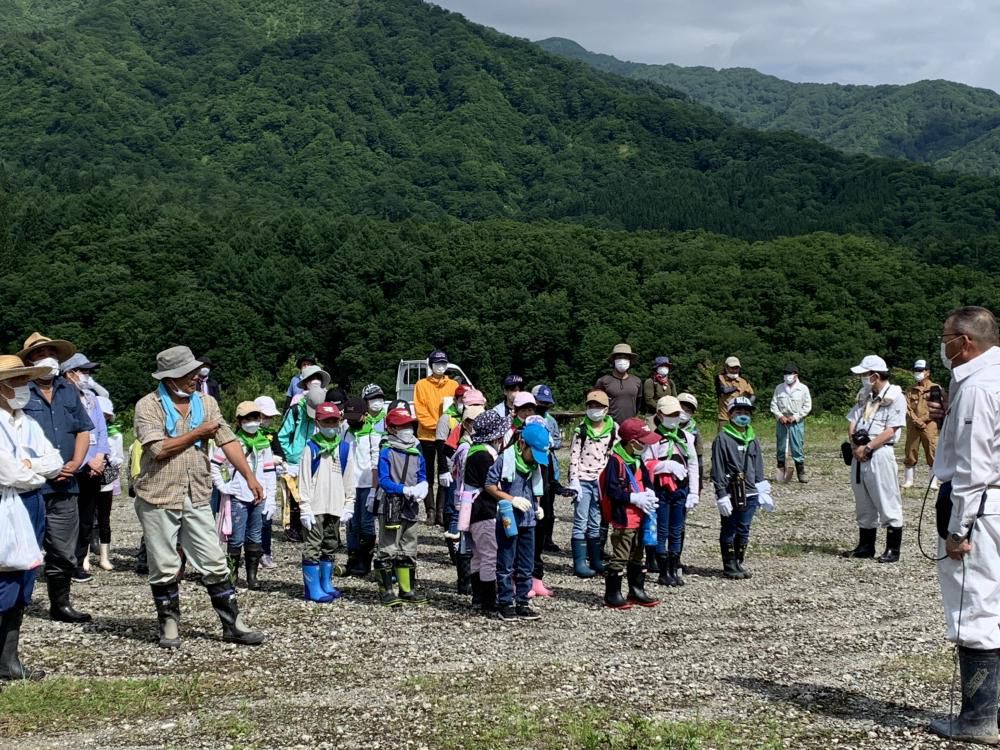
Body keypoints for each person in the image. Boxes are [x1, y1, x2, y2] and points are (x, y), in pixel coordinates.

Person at [133, 346, 264, 648]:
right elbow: (159, 449)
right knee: (164, 563)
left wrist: (249, 476)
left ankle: (233, 624)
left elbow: (227, 439)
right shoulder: (148, 405)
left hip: (196, 491)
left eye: (196, 372)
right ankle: (168, 624)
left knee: (213, 559)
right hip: (158, 493)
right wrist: (198, 433)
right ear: (171, 377)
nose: (196, 377)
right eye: (189, 373)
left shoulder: (206, 402)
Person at [928, 307, 1000, 744]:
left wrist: (959, 529)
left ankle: (977, 718)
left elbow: (973, 466)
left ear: (965, 342)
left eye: (946, 338)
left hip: (981, 504)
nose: (943, 346)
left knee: (973, 605)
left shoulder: (978, 387)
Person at [17, 332, 94, 623]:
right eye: (38, 354)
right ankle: (16, 605)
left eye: (50, 352)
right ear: (29, 361)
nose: (46, 358)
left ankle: (59, 605)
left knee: (63, 549)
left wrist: (75, 462)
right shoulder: (19, 391)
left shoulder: (68, 389)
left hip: (66, 483)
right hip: (30, 484)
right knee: (22, 547)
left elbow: (83, 429)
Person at [0, 355, 64, 682]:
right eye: (15, 381)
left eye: (25, 380)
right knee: (3, 576)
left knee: (25, 576)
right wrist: (30, 469)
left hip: (31, 503)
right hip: (4, 505)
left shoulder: (28, 422)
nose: (22, 388)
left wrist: (30, 470)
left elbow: (54, 461)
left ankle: (8, 659)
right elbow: (7, 472)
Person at [841, 355, 906, 564]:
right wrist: (854, 445)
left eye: (864, 375)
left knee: (886, 497)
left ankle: (892, 548)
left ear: (875, 376)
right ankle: (865, 545)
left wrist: (868, 447)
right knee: (863, 499)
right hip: (859, 453)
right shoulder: (865, 396)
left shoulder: (895, 397)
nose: (862, 378)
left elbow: (891, 429)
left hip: (880, 452)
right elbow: (853, 420)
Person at [484, 421, 551, 621]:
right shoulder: (505, 459)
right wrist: (511, 499)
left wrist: (538, 507)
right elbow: (489, 485)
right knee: (505, 562)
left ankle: (523, 601)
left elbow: (535, 490)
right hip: (508, 518)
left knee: (526, 563)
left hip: (529, 520)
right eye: (534, 453)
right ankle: (505, 602)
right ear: (522, 444)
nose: (535, 460)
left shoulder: (535, 466)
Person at [211, 401, 277, 591]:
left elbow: (269, 471)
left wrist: (271, 498)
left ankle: (252, 577)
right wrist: (223, 486)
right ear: (239, 422)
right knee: (236, 538)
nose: (253, 422)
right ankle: (232, 576)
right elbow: (214, 464)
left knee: (255, 536)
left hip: (259, 496)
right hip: (238, 496)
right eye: (248, 418)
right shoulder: (232, 443)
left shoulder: (264, 442)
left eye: (256, 418)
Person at [599, 417, 661, 609]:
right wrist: (634, 498)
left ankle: (636, 590)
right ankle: (613, 594)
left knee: (637, 554)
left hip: (641, 517)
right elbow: (612, 491)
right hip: (624, 518)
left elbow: (646, 480)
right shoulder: (615, 462)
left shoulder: (636, 458)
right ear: (632, 442)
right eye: (643, 442)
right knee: (620, 555)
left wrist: (650, 493)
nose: (645, 446)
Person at [297, 403, 355, 603]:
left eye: (334, 421)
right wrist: (304, 508)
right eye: (326, 422)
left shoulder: (344, 448)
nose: (330, 425)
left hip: (336, 506)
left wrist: (349, 504)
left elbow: (349, 479)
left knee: (330, 544)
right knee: (313, 545)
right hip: (315, 507)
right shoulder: (311, 447)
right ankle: (312, 589)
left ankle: (325, 583)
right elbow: (303, 480)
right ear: (318, 423)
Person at [59, 353, 110, 584]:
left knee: (87, 517)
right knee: (68, 517)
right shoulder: (60, 397)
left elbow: (100, 430)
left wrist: (99, 457)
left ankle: (79, 562)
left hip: (93, 467)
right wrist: (86, 459)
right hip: (73, 466)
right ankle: (63, 563)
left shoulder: (91, 397)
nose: (86, 375)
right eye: (83, 371)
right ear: (69, 373)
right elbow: (68, 433)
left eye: (89, 371)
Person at [373, 407, 429, 606]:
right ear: (392, 429)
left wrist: (424, 486)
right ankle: (386, 591)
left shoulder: (416, 451)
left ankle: (407, 590)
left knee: (409, 547)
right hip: (391, 505)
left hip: (411, 506)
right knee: (387, 548)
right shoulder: (387, 450)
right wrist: (404, 489)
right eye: (403, 425)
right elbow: (384, 480)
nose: (408, 429)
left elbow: (422, 475)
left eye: (409, 425)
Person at [712, 397, 772, 580]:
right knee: (729, 528)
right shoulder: (722, 438)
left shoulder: (752, 437)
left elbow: (758, 464)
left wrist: (762, 488)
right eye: (738, 413)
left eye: (746, 413)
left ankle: (738, 561)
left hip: (751, 491)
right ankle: (729, 565)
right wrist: (721, 493)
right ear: (730, 415)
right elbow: (718, 467)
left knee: (744, 528)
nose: (743, 416)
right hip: (732, 491)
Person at [645, 396, 699, 587]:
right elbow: (646, 464)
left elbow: (693, 463)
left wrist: (694, 492)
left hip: (681, 489)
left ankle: (674, 567)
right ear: (659, 414)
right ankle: (662, 571)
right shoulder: (652, 438)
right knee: (662, 530)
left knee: (677, 530)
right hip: (661, 490)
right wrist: (665, 465)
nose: (674, 417)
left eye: (677, 414)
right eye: (669, 414)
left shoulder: (687, 437)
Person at [567, 390, 617, 578]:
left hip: (601, 482)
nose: (594, 410)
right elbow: (574, 456)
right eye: (591, 406)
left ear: (606, 409)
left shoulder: (613, 429)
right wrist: (574, 481)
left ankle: (595, 559)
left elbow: (613, 455)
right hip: (582, 480)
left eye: (598, 406)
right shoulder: (581, 429)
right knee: (580, 521)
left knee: (596, 522)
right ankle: (579, 562)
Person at [277, 365, 330, 541]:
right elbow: (283, 435)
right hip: (296, 458)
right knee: (296, 496)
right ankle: (294, 530)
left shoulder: (326, 403)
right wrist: (289, 454)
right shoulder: (296, 408)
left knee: (317, 492)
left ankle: (315, 529)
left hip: (319, 454)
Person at [413, 350, 457, 526]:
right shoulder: (421, 385)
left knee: (445, 472)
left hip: (448, 437)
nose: (440, 366)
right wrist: (438, 426)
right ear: (431, 365)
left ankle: (441, 511)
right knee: (427, 473)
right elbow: (420, 412)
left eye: (443, 363)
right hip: (426, 436)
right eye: (437, 363)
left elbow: (456, 410)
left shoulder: (453, 385)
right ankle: (430, 511)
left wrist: (446, 429)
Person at [341, 396, 379, 578]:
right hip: (349, 484)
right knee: (351, 523)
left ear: (364, 415)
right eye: (349, 418)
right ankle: (352, 557)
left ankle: (365, 560)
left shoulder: (372, 434)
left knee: (366, 523)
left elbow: (375, 463)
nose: (351, 421)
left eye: (355, 418)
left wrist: (374, 489)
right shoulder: (346, 432)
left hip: (366, 485)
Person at [531, 384, 563, 554]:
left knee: (549, 504)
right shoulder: (528, 418)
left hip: (549, 464)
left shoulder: (551, 421)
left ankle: (547, 539)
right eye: (540, 402)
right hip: (532, 464)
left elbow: (558, 441)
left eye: (547, 403)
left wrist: (549, 442)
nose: (543, 406)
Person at [769, 362, 812, 484]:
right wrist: (779, 416)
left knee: (797, 446)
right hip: (782, 421)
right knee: (781, 446)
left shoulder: (803, 389)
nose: (787, 375)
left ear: (796, 375)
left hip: (796, 422)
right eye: (785, 373)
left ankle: (801, 472)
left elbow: (807, 406)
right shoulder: (779, 388)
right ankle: (781, 470)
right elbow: (773, 404)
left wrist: (796, 417)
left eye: (790, 373)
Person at [253, 395, 282, 569]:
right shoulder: (242, 434)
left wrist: (276, 461)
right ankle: (247, 552)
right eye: (266, 416)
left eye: (271, 417)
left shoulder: (272, 435)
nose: (268, 420)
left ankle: (265, 552)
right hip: (247, 481)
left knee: (266, 519)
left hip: (267, 480)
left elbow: (280, 456)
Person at [903, 359, 940, 490]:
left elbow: (938, 408)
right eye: (916, 370)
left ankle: (933, 481)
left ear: (927, 372)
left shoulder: (935, 388)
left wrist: (923, 420)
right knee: (911, 450)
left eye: (920, 370)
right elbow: (907, 407)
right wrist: (916, 420)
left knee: (931, 450)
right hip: (913, 424)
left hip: (929, 424)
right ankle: (909, 480)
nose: (917, 373)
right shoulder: (910, 389)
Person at [96, 396, 123, 571]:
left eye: (106, 415)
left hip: (106, 475)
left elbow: (119, 459)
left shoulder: (115, 435)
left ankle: (104, 556)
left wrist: (108, 462)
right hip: (87, 475)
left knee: (104, 518)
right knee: (85, 517)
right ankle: (83, 556)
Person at [595, 343, 642, 424]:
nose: (622, 360)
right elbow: (596, 404)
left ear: (630, 360)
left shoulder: (637, 381)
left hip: (630, 426)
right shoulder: (603, 381)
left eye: (626, 357)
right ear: (613, 360)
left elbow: (638, 403)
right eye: (619, 356)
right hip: (609, 426)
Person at [715, 356, 754, 424]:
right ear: (726, 368)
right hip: (725, 418)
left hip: (741, 418)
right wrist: (735, 388)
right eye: (732, 368)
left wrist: (748, 406)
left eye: (737, 368)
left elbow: (752, 395)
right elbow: (723, 390)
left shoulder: (743, 381)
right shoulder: (720, 378)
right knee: (723, 434)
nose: (734, 370)